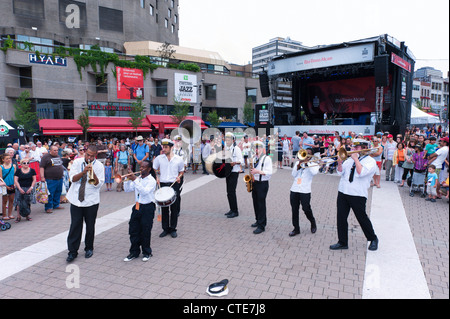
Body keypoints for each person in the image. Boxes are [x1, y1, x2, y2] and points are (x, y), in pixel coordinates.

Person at [330, 139, 379, 251]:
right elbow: (340, 173)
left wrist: (356, 159)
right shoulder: (349, 160)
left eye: (356, 147)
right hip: (343, 191)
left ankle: (373, 238)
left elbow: (361, 172)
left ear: (364, 148)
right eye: (353, 147)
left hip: (357, 194)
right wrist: (339, 163)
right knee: (341, 218)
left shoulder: (370, 161)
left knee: (361, 218)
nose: (353, 149)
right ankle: (342, 242)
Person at [65, 145, 105, 262]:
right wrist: (83, 172)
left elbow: (98, 185)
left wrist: (92, 172)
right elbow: (72, 179)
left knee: (90, 225)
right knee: (75, 225)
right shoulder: (77, 162)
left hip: (91, 201)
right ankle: (72, 251)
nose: (89, 157)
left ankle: (89, 248)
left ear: (95, 155)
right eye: (87, 154)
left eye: (92, 156)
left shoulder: (99, 166)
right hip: (76, 200)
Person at [123, 160, 157, 262]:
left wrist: (134, 179)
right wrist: (128, 179)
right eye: (140, 167)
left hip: (148, 207)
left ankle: (147, 252)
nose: (141, 169)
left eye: (143, 167)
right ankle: (134, 252)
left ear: (149, 169)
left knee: (145, 231)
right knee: (133, 230)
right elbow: (128, 190)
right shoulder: (138, 179)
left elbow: (144, 192)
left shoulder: (152, 181)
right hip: (137, 206)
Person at [153, 139, 185, 238]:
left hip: (173, 184)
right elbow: (154, 168)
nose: (164, 149)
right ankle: (165, 228)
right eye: (163, 147)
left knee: (174, 208)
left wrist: (179, 177)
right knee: (164, 208)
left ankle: (173, 229)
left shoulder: (178, 159)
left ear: (171, 147)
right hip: (163, 184)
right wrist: (157, 177)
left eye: (166, 147)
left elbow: (182, 171)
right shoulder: (159, 158)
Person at [289, 148, 319, 237]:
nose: (306, 155)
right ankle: (296, 229)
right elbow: (293, 175)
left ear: (311, 156)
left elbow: (314, 173)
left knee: (306, 208)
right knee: (294, 209)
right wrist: (298, 165)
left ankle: (312, 222)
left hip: (305, 190)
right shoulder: (298, 163)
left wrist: (307, 163)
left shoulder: (314, 164)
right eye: (305, 153)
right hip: (294, 189)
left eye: (308, 154)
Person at [250, 140, 273, 234]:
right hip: (254, 183)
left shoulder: (267, 159)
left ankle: (262, 225)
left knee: (261, 204)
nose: (256, 149)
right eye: (255, 148)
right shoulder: (254, 158)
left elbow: (269, 173)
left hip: (262, 184)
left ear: (262, 149)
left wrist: (257, 172)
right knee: (255, 203)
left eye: (258, 147)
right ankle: (257, 220)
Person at [223, 132, 244, 219]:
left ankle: (235, 211)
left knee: (232, 192)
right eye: (226, 139)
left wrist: (234, 163)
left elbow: (241, 161)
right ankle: (231, 209)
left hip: (234, 172)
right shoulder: (226, 149)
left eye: (229, 139)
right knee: (228, 192)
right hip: (228, 172)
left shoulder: (236, 149)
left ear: (233, 140)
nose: (227, 141)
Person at [40, 145, 65, 214]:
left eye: (57, 150)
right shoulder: (45, 157)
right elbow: (41, 167)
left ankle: (56, 205)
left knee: (58, 192)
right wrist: (42, 177)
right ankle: (48, 207)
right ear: (50, 151)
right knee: (50, 193)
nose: (56, 151)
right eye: (54, 150)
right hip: (50, 179)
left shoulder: (58, 156)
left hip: (59, 178)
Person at [1, 153, 16, 220]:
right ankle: (4, 215)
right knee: (4, 201)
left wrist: (15, 184)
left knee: (11, 200)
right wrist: (6, 186)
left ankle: (10, 214)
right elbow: (1, 178)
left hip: (12, 185)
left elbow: (15, 176)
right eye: (6, 159)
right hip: (4, 186)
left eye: (9, 158)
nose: (8, 160)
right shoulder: (1, 167)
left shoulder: (13, 166)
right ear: (3, 160)